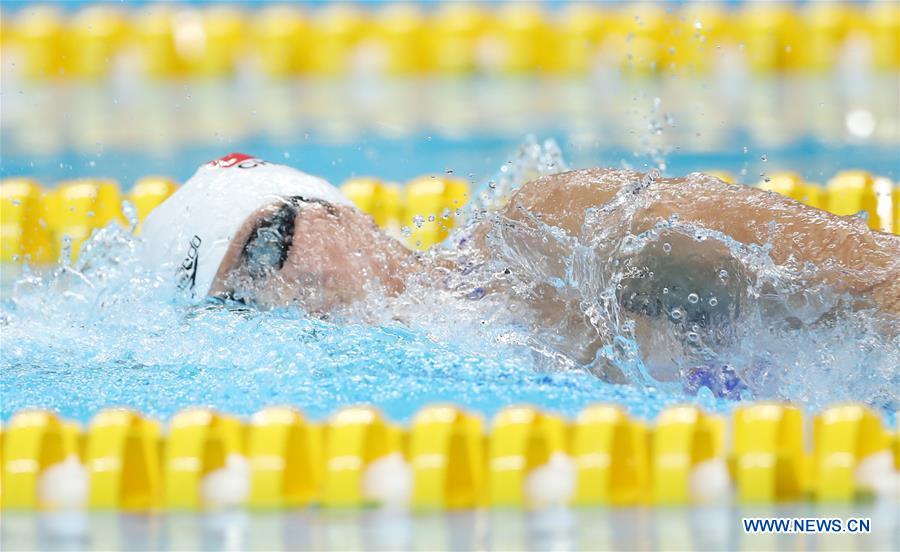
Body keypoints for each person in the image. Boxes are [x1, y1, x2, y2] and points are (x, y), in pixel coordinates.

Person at [142, 153, 899, 383]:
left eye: (268, 244)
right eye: (239, 301)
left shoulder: (547, 227)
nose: (276, 288)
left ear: (336, 209)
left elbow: (875, 277)